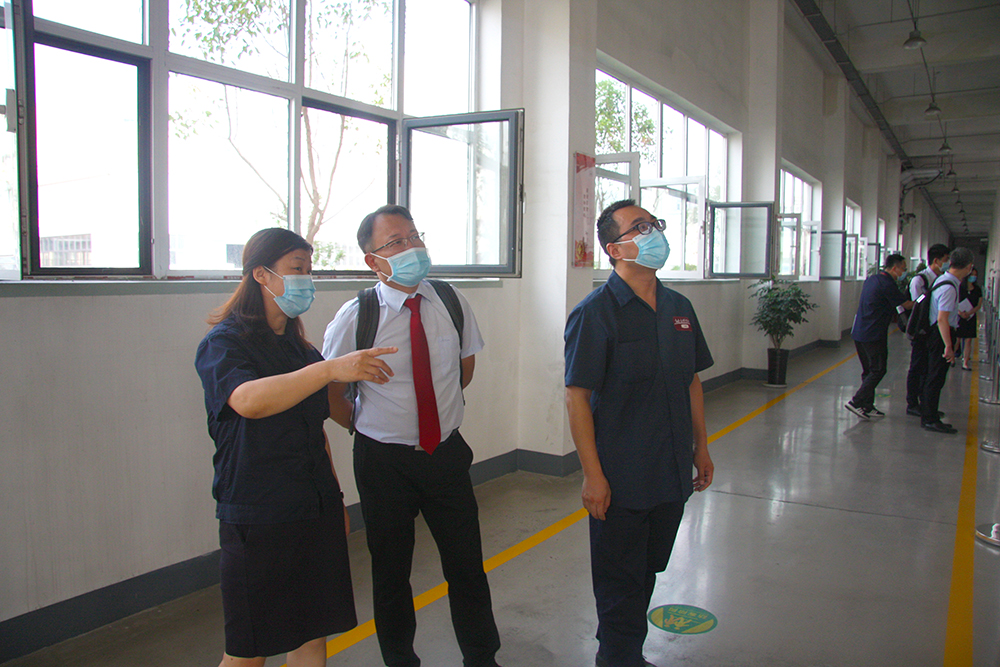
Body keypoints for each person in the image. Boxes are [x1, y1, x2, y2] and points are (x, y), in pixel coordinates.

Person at [195, 228, 397, 667]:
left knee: (310, 635)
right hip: (259, 514)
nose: (306, 279)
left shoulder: (300, 350)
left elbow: (315, 431)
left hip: (312, 508)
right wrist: (329, 371)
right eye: (296, 269)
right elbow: (248, 401)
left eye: (309, 270)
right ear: (261, 275)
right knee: (249, 650)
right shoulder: (224, 344)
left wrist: (334, 500)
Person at [322, 205, 501, 667]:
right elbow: (331, 390)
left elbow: (463, 368)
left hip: (446, 454)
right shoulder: (356, 316)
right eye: (396, 242)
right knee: (391, 572)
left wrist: (434, 415)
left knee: (467, 565)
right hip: (384, 463)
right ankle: (401, 660)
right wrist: (367, 425)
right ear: (373, 261)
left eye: (415, 236)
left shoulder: (449, 300)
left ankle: (482, 657)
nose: (412, 247)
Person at [564, 199, 714, 667]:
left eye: (654, 224)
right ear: (615, 249)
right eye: (640, 227)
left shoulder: (679, 307)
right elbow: (576, 397)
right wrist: (593, 475)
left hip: (670, 471)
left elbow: (691, 380)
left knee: (646, 571)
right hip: (621, 477)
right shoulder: (596, 313)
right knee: (619, 582)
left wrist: (701, 448)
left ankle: (623, 650)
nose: (653, 233)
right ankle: (617, 658)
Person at [845, 254, 913, 419]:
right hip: (873, 334)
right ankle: (856, 401)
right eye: (903, 269)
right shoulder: (887, 284)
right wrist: (924, 299)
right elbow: (906, 305)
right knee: (878, 369)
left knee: (868, 370)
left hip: (859, 331)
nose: (904, 272)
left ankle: (867, 406)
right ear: (895, 268)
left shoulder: (872, 279)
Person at [921, 247, 975, 433]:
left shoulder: (944, 280)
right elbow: (942, 319)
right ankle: (929, 418)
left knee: (935, 376)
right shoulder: (949, 287)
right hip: (941, 334)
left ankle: (930, 413)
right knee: (935, 377)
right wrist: (949, 346)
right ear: (968, 267)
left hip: (939, 333)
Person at [906, 244, 951, 418]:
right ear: (937, 260)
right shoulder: (920, 280)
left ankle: (926, 403)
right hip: (921, 331)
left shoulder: (941, 279)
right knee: (917, 367)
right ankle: (912, 403)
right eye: (946, 260)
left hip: (934, 331)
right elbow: (917, 307)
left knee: (929, 369)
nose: (947, 263)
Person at [955, 267, 982, 370]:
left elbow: (978, 305)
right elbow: (954, 302)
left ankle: (965, 362)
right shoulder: (960, 288)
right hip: (959, 316)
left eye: (975, 275)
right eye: (972, 275)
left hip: (971, 317)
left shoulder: (977, 290)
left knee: (968, 340)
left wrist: (970, 313)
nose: (973, 277)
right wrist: (960, 313)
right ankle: (952, 357)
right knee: (957, 338)